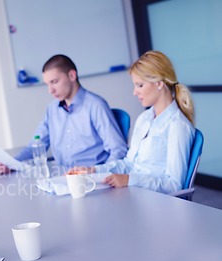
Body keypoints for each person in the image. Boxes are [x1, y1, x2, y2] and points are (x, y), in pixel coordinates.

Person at [70, 50, 195, 194]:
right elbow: (129, 164)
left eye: (140, 85)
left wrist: (130, 180)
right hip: (132, 192)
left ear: (159, 84)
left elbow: (174, 185)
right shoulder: (144, 119)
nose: (135, 92)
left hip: (154, 200)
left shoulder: (178, 126)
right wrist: (94, 170)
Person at [0, 54, 128, 173]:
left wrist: (101, 173)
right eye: (47, 84)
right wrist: (11, 163)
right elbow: (35, 146)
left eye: (54, 82)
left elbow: (118, 149)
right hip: (63, 176)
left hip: (91, 176)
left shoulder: (95, 105)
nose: (50, 90)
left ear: (72, 76)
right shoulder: (52, 109)